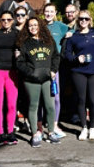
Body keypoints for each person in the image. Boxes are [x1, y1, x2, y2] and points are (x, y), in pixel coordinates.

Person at [16, 16, 61, 147]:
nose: (33, 28)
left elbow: (56, 57)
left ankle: (51, 132)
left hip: (47, 79)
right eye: (30, 26)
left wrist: (53, 70)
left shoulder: (48, 41)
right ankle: (35, 134)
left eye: (35, 25)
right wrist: (30, 73)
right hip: (31, 81)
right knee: (33, 106)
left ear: (40, 26)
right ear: (27, 28)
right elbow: (19, 62)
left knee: (50, 106)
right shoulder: (24, 43)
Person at [65, 10, 94, 141]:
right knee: (81, 100)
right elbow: (67, 54)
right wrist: (76, 58)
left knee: (92, 100)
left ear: (90, 20)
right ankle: (84, 127)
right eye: (81, 19)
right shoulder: (73, 36)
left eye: (86, 19)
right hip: (78, 72)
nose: (83, 21)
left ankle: (92, 127)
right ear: (77, 20)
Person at [0, 11, 20, 146]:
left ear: (12, 21)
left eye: (8, 19)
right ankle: (1, 133)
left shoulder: (17, 34)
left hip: (12, 71)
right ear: (0, 21)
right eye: (3, 20)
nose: (6, 22)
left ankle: (10, 131)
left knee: (12, 104)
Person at [43, 3, 70, 139]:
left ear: (55, 13)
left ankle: (54, 124)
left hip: (55, 67)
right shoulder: (40, 26)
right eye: (46, 11)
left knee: (56, 97)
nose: (48, 14)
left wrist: (70, 34)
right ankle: (42, 126)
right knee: (43, 98)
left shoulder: (60, 26)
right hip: (41, 66)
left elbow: (75, 30)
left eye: (51, 11)